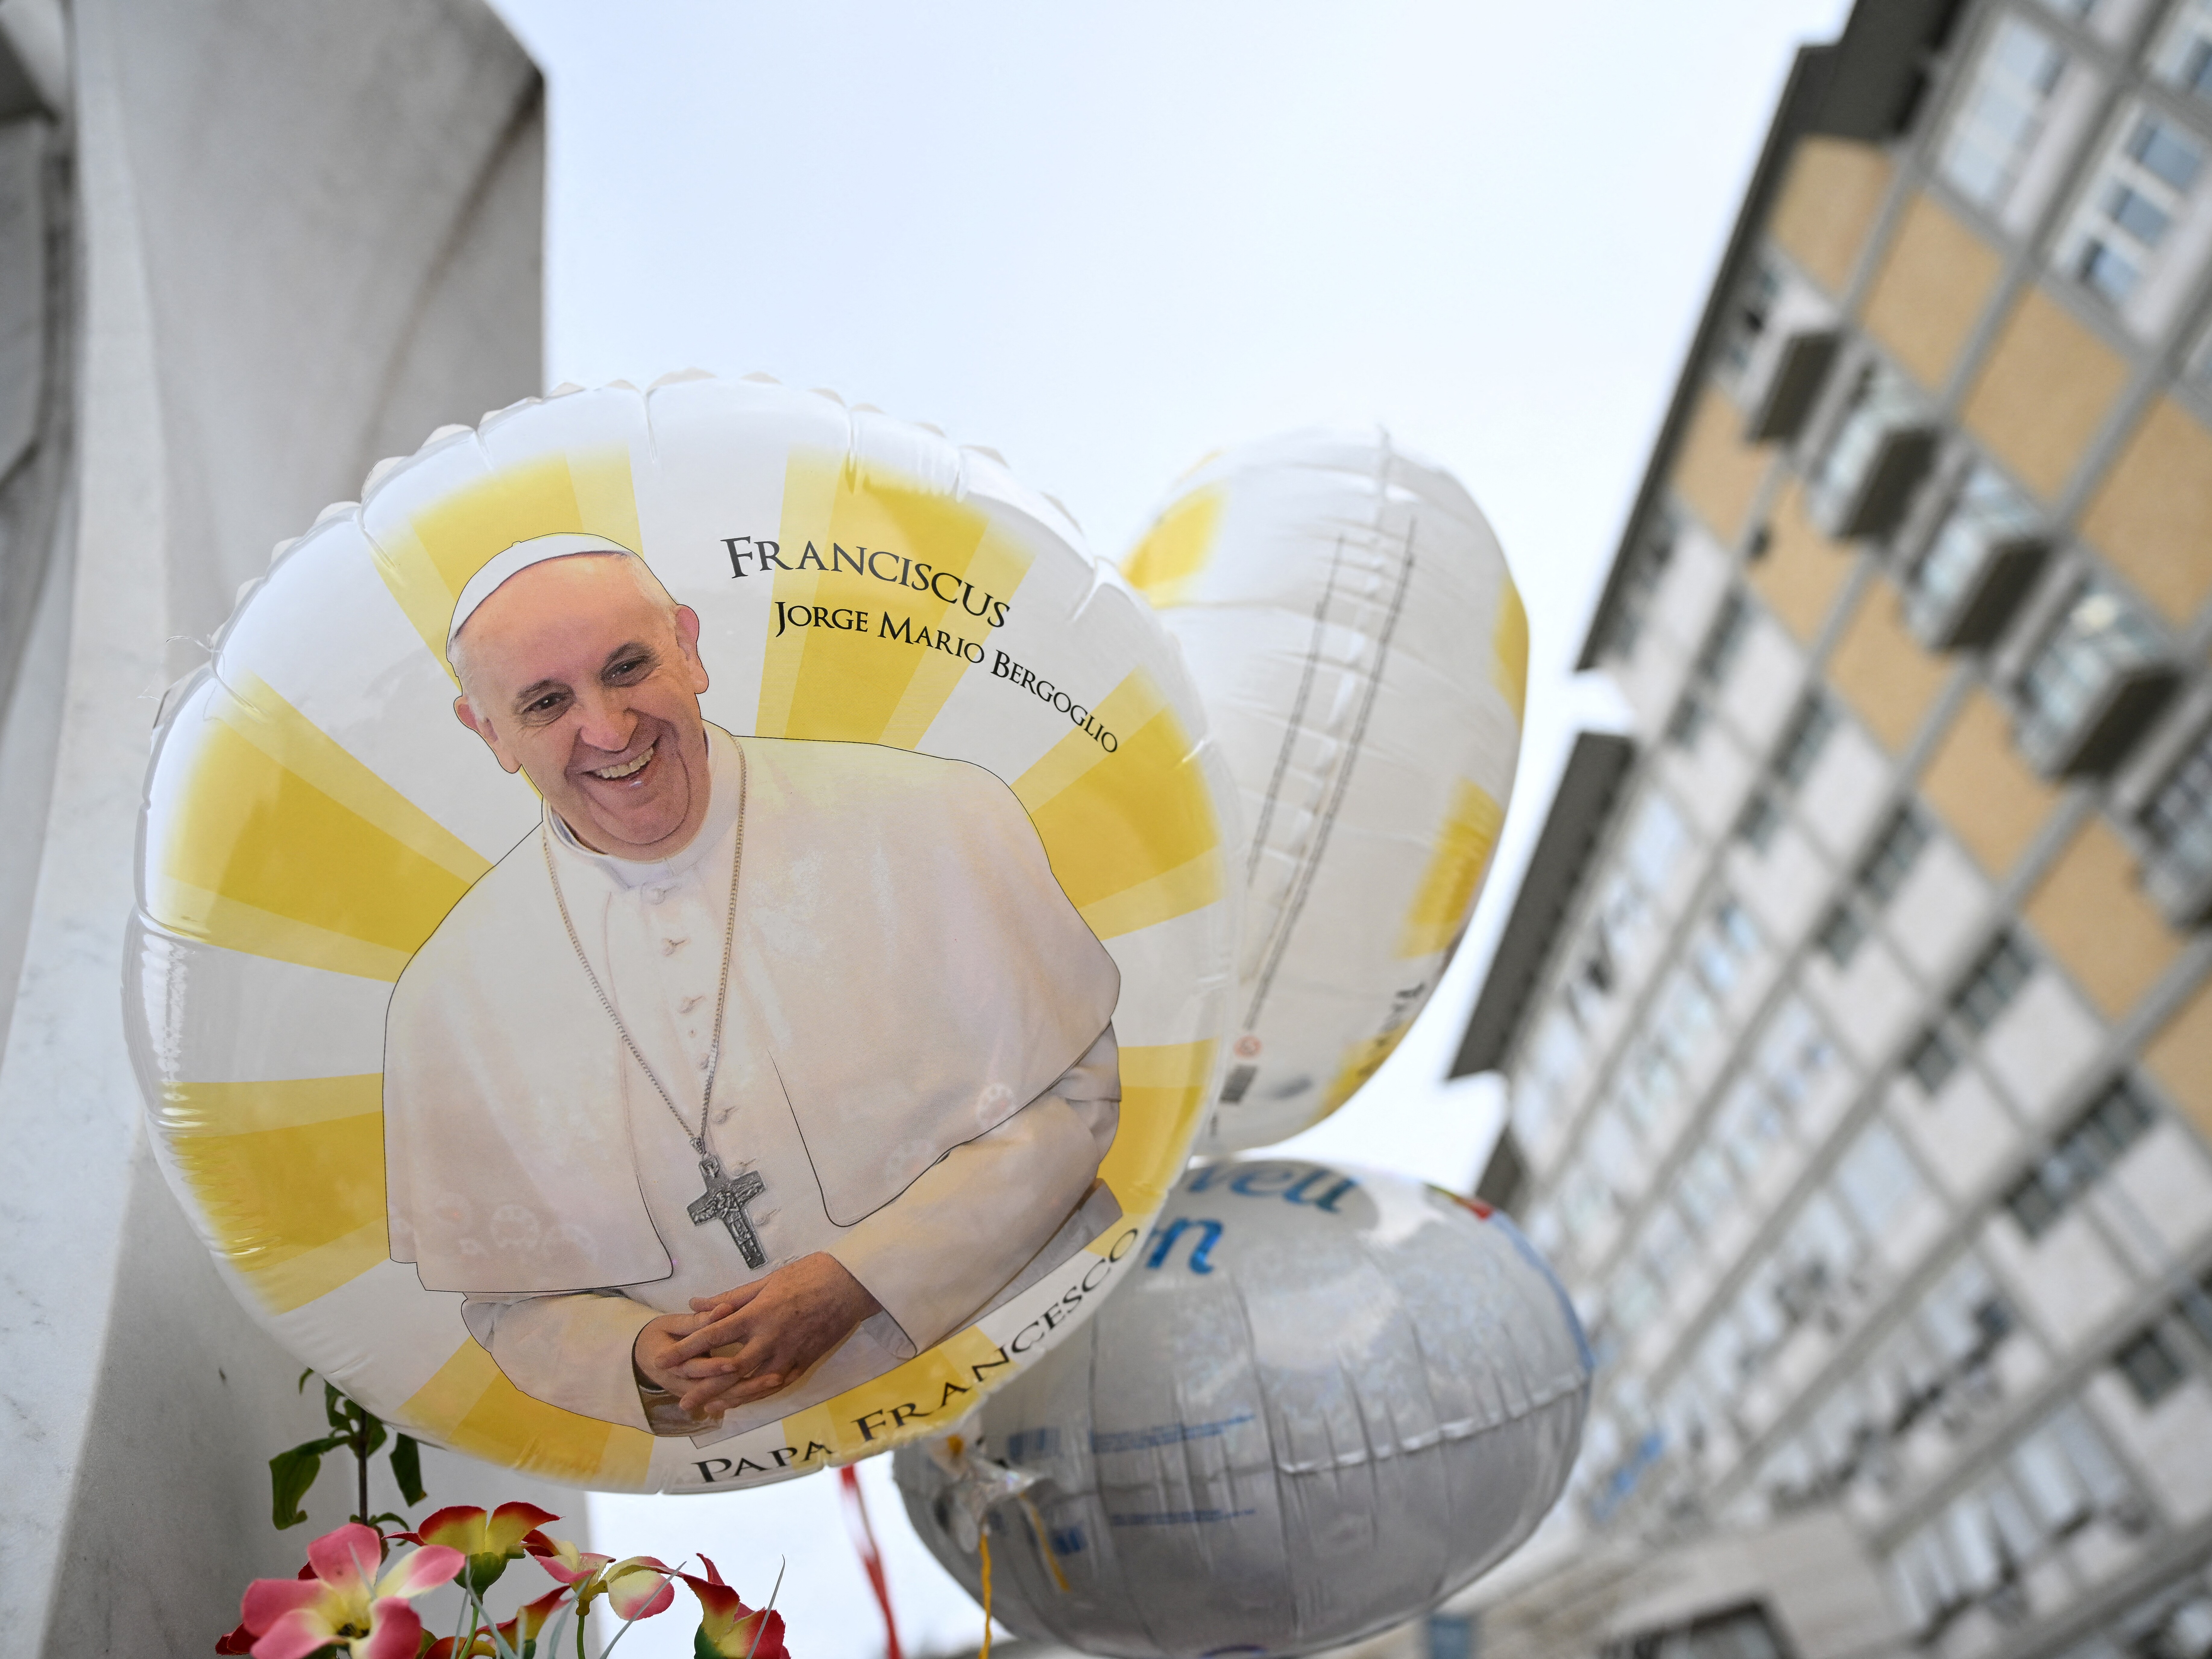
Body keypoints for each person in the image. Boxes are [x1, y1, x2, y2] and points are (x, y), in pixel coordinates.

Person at [382, 534, 1121, 1442]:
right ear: (488, 731)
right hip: (763, 1467)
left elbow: (1073, 1100)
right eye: (545, 703)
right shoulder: (449, 999)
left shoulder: (933, 817)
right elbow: (510, 1304)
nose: (609, 730)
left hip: (1056, 1357)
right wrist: (637, 1355)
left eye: (629, 668)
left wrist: (862, 1281)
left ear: (688, 649)